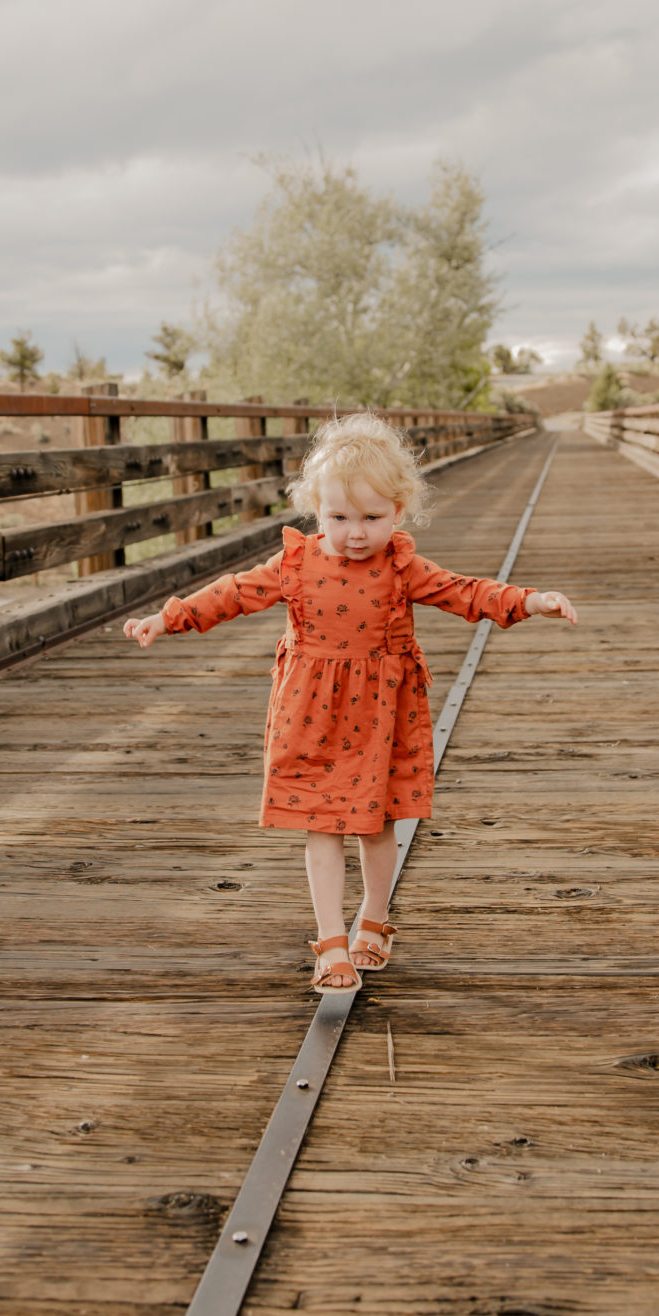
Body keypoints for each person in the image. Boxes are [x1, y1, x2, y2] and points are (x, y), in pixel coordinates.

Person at [124, 412, 576, 991]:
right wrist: (168, 618)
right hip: (308, 713)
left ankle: (374, 918)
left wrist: (530, 601)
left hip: (381, 716)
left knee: (375, 824)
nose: (355, 532)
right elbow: (233, 593)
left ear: (400, 511)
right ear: (316, 508)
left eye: (372, 517)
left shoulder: (401, 567)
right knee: (321, 824)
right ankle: (330, 941)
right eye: (338, 517)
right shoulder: (297, 562)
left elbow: (465, 592)